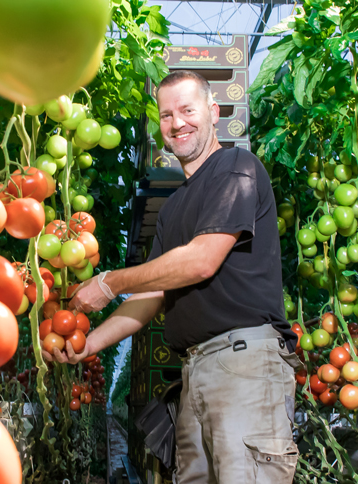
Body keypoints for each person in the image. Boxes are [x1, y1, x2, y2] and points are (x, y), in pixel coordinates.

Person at [42, 70, 301, 483]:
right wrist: (88, 344)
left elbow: (201, 261)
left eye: (187, 110)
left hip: (244, 364)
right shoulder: (174, 207)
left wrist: (110, 281)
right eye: (166, 115)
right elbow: (155, 293)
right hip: (196, 370)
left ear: (213, 112)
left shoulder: (236, 166)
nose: (177, 123)